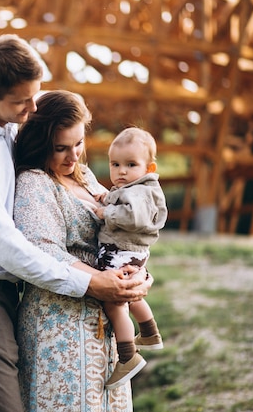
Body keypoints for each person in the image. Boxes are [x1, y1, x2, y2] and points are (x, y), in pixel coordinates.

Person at [0, 34, 152, 412]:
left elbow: (121, 229)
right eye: (23, 101)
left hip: (2, 294)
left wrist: (136, 274)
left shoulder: (9, 130)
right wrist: (93, 282)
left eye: (36, 95)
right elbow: (9, 247)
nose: (33, 108)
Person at [13, 90, 140, 411]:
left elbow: (123, 233)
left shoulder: (85, 177)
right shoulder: (34, 182)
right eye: (61, 148)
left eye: (78, 144)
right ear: (41, 143)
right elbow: (41, 251)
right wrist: (103, 280)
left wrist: (137, 277)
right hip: (61, 327)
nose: (73, 156)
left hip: (106, 329)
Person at [93, 127, 168, 389]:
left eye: (130, 164)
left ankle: (127, 355)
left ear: (149, 167)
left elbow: (133, 216)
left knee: (115, 303)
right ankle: (149, 332)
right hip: (133, 253)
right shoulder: (143, 187)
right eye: (115, 164)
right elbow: (124, 199)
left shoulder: (138, 192)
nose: (121, 171)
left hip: (120, 251)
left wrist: (106, 214)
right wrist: (109, 197)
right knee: (131, 296)